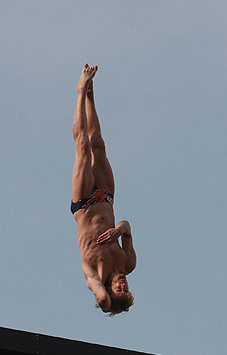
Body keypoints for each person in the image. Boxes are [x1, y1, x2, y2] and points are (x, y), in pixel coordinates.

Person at [71, 64, 136, 315]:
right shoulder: (127, 263)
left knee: (83, 147)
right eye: (126, 287)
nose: (123, 283)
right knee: (98, 144)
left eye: (120, 288)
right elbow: (128, 227)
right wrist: (119, 229)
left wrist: (107, 302)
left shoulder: (95, 278)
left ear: (110, 291)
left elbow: (100, 298)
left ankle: (79, 92)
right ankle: (90, 94)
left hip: (85, 203)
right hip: (106, 197)